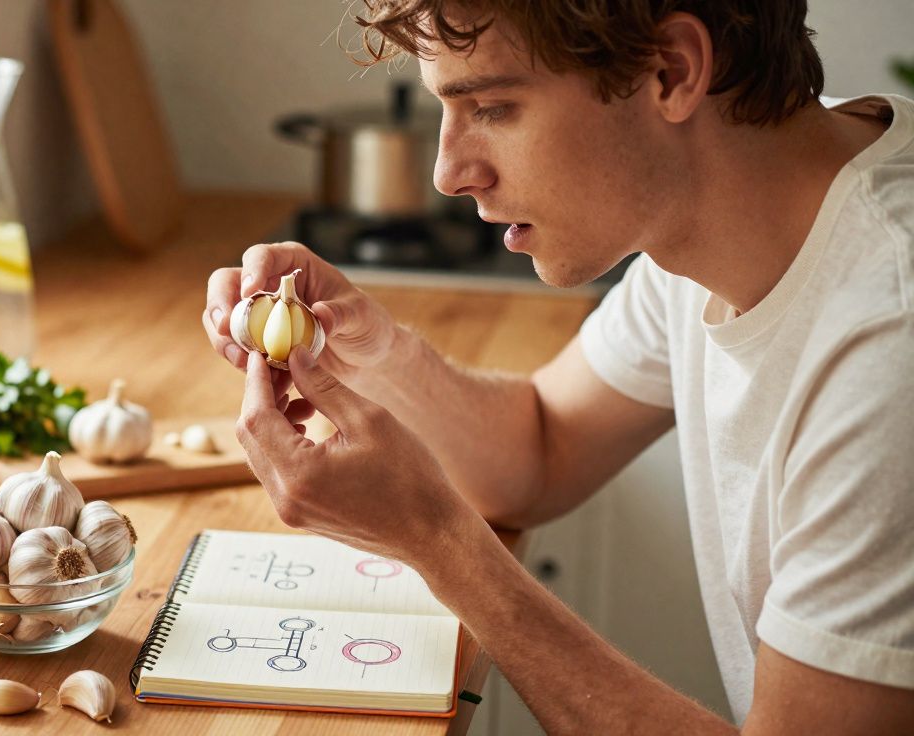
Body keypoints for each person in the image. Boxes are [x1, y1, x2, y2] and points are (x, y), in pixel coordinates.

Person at [201, 1, 914, 732]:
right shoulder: (723, 188)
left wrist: (438, 542)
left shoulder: (890, 343)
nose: (448, 172)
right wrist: (371, 349)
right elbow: (539, 448)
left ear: (670, 70)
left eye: (493, 106)